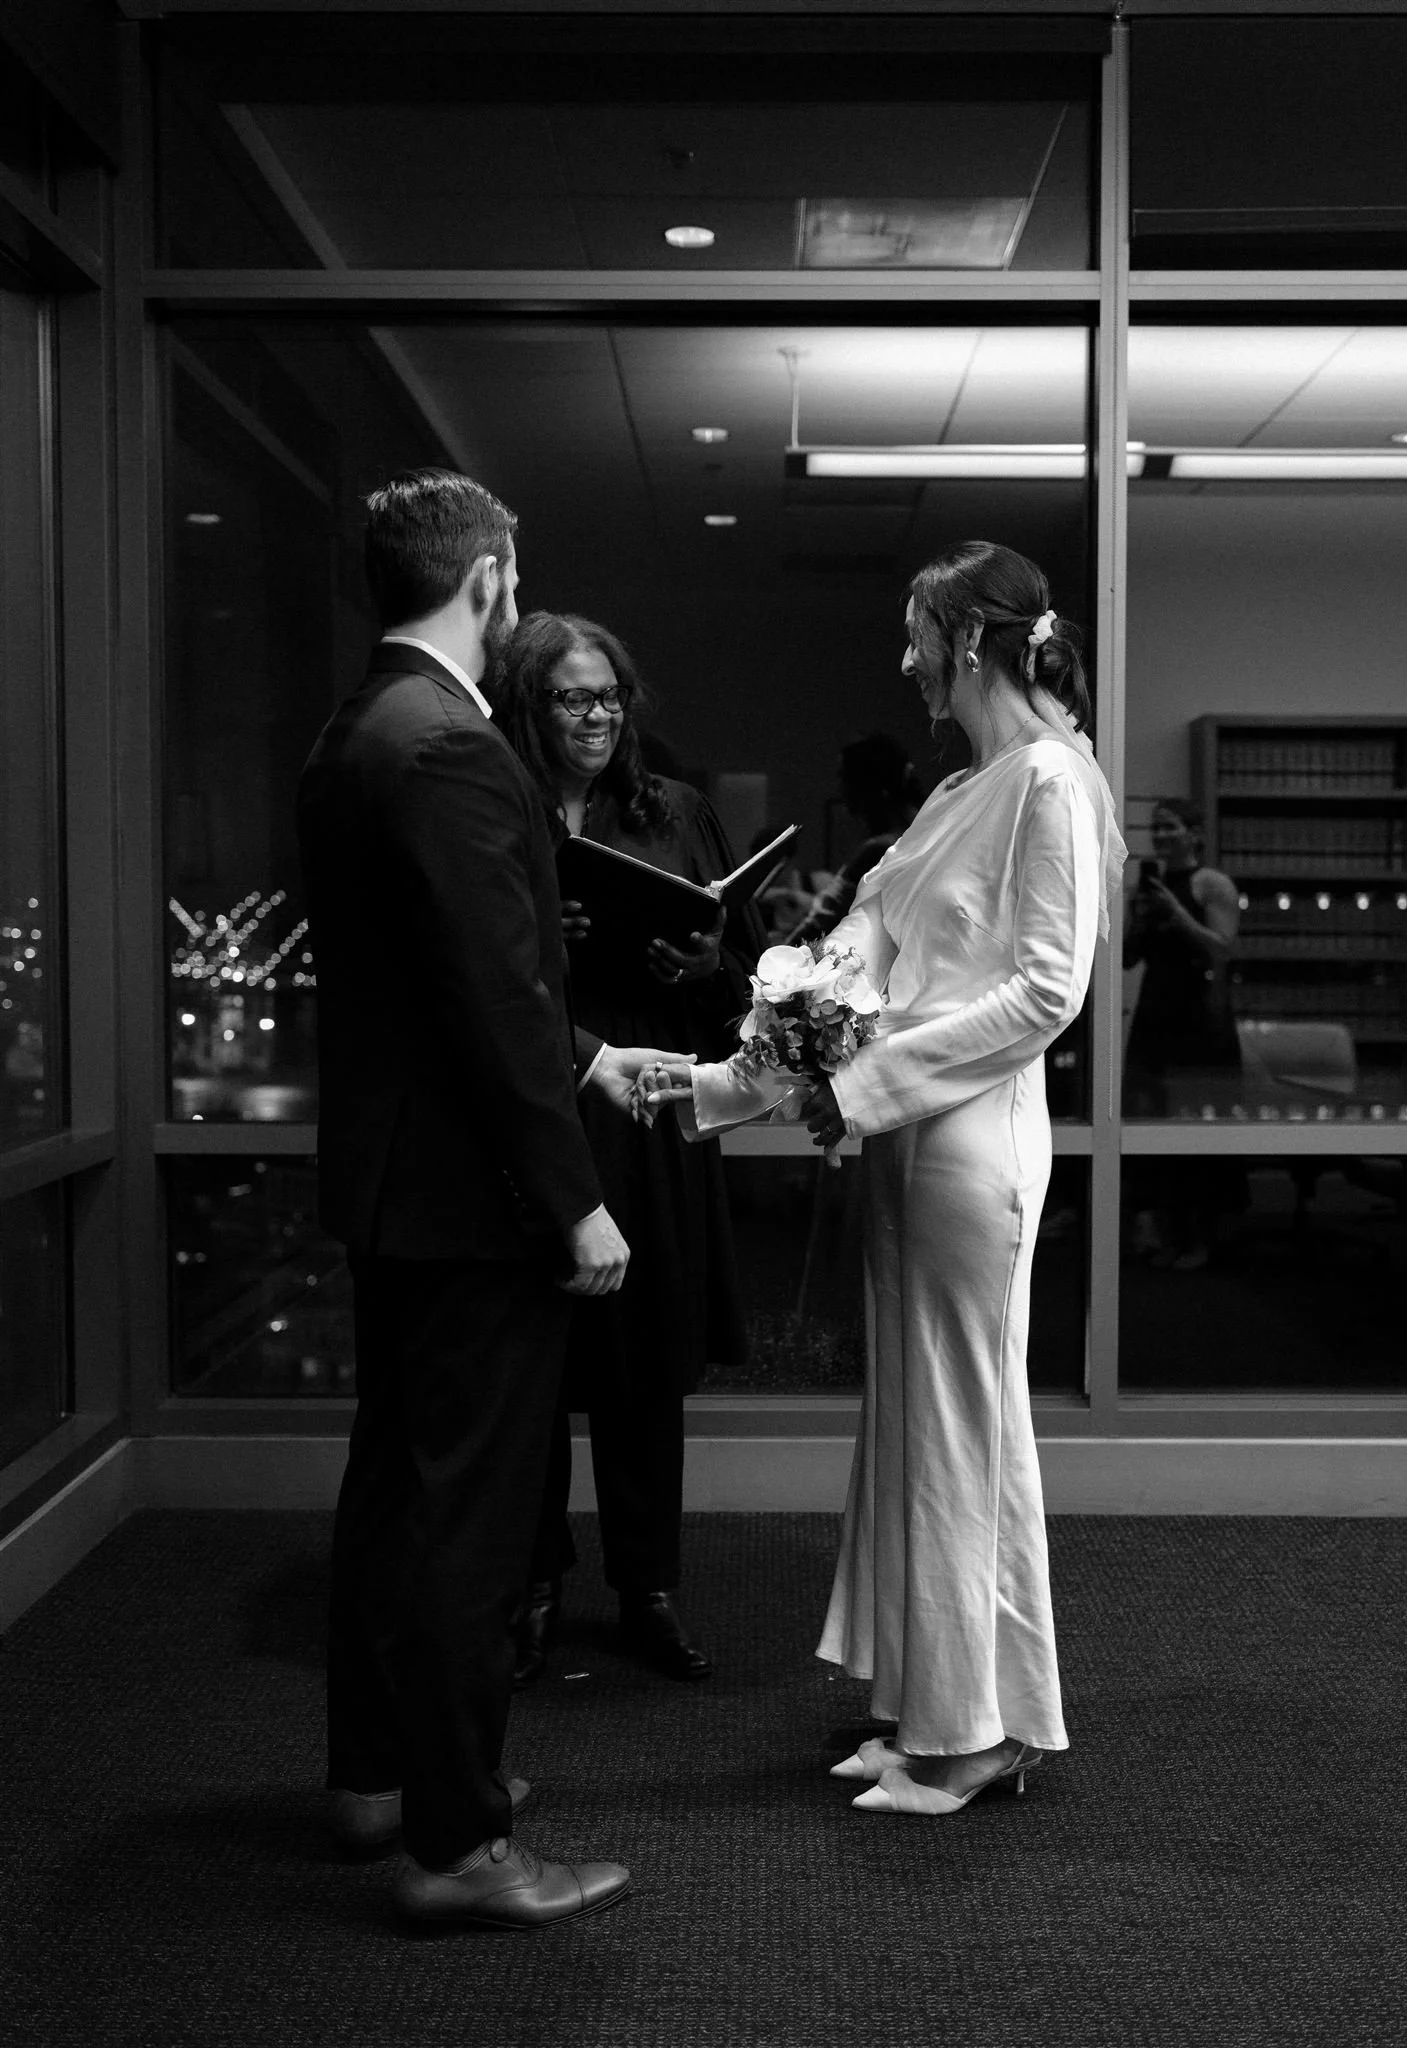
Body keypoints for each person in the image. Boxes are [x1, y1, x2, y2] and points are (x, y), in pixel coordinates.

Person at [648, 541, 1125, 1817]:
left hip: (967, 1152)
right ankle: (931, 1709)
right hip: (912, 1149)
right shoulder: (958, 790)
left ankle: (977, 1737)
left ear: (968, 639)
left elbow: (1041, 996)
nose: (903, 657)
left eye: (914, 633)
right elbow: (859, 958)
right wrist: (714, 1084)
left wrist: (855, 1087)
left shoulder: (1050, 784)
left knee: (965, 1434)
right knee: (915, 1434)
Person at [296, 468, 684, 1932]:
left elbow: (435, 977)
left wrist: (593, 1054)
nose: (516, 596)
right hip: (473, 1210)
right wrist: (574, 1201)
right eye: (513, 576)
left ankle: (378, 1782)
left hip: (397, 1195)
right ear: (486, 578)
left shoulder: (357, 731)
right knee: (469, 1524)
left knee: (396, 1493)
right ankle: (458, 1848)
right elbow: (488, 997)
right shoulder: (452, 745)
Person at [492, 612, 762, 1685]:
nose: (597, 714)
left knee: (646, 1367)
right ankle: (539, 1579)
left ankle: (647, 1585)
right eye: (570, 696)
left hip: (651, 1116)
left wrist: (701, 964)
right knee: (537, 1363)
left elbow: (744, 972)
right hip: (540, 1116)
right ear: (529, 704)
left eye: (609, 696)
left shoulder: (674, 811)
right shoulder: (498, 809)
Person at [1122, 799, 1244, 1268]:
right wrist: (1143, 916)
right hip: (1157, 1010)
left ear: (1194, 833)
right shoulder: (1146, 889)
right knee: (1151, 1117)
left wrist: (1178, 913)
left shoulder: (1211, 883)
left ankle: (1202, 1239)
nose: (1163, 836)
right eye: (1157, 828)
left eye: (1171, 827)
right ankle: (1162, 1232)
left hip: (1201, 1015)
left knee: (1199, 1121)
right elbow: (1130, 958)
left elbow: (1222, 949)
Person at [789, 733, 924, 944]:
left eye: (844, 777)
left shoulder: (879, 849)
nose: (839, 789)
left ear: (866, 782)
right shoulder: (925, 829)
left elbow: (822, 922)